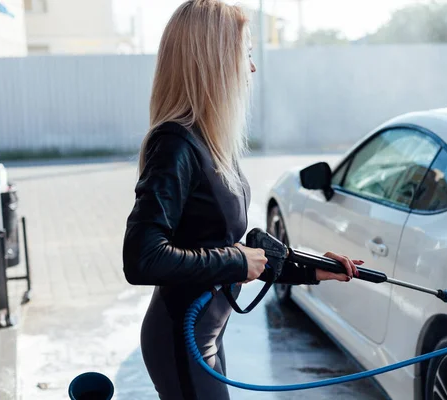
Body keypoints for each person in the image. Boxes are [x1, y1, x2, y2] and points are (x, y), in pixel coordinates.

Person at [122, 1, 363, 399]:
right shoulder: (175, 145)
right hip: (181, 338)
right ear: (213, 60)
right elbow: (141, 257)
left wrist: (309, 269)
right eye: (246, 55)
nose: (251, 69)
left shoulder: (210, 143)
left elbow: (229, 246)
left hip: (205, 334)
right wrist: (237, 260)